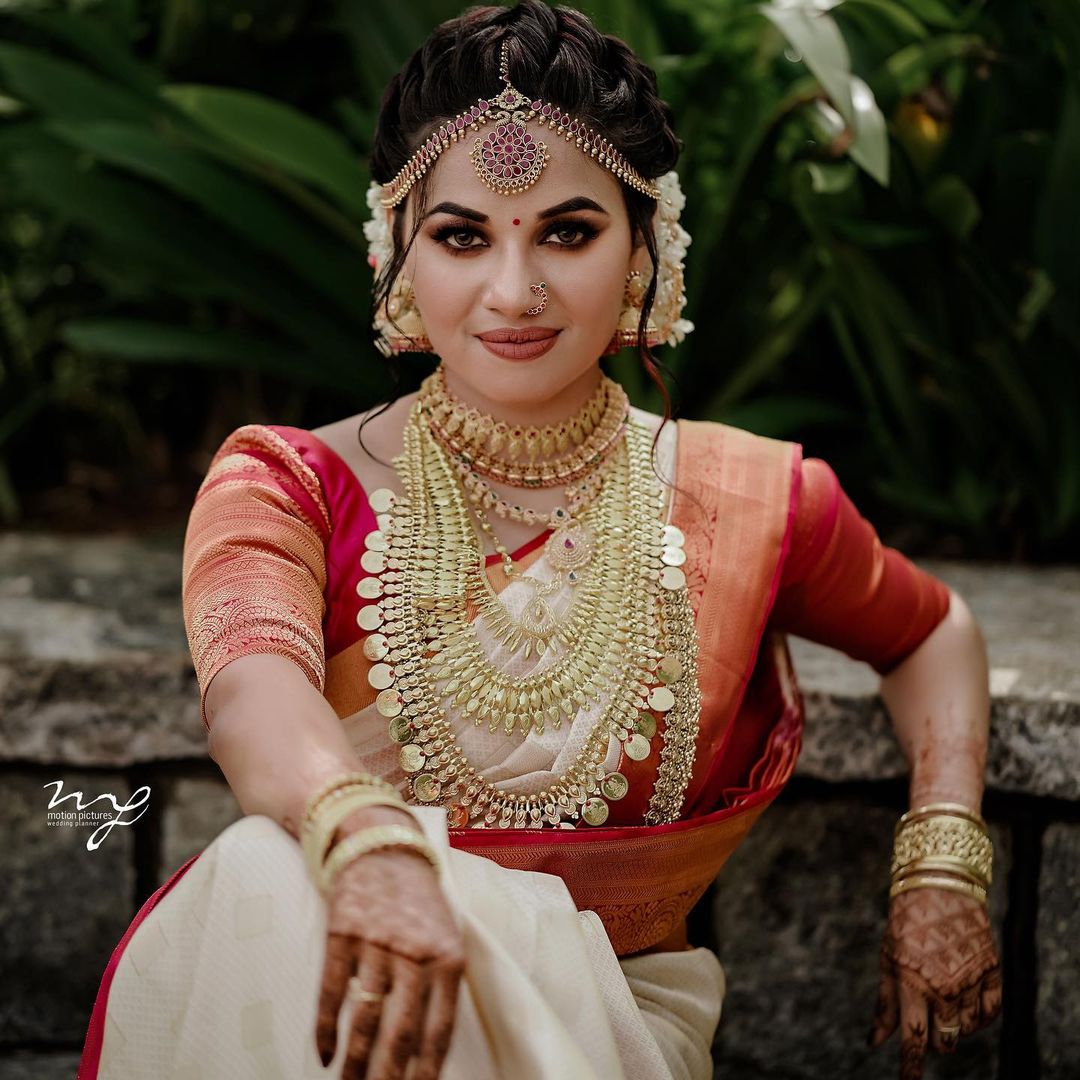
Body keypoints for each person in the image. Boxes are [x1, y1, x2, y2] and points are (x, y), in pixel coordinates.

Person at [77, 3, 1002, 1078]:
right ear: (397, 258)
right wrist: (370, 846)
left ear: (646, 245)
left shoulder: (752, 497)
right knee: (270, 876)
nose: (515, 292)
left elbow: (932, 636)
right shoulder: (289, 486)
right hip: (342, 967)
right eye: (462, 236)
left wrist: (942, 864)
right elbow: (251, 695)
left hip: (608, 1012)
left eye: (568, 231)